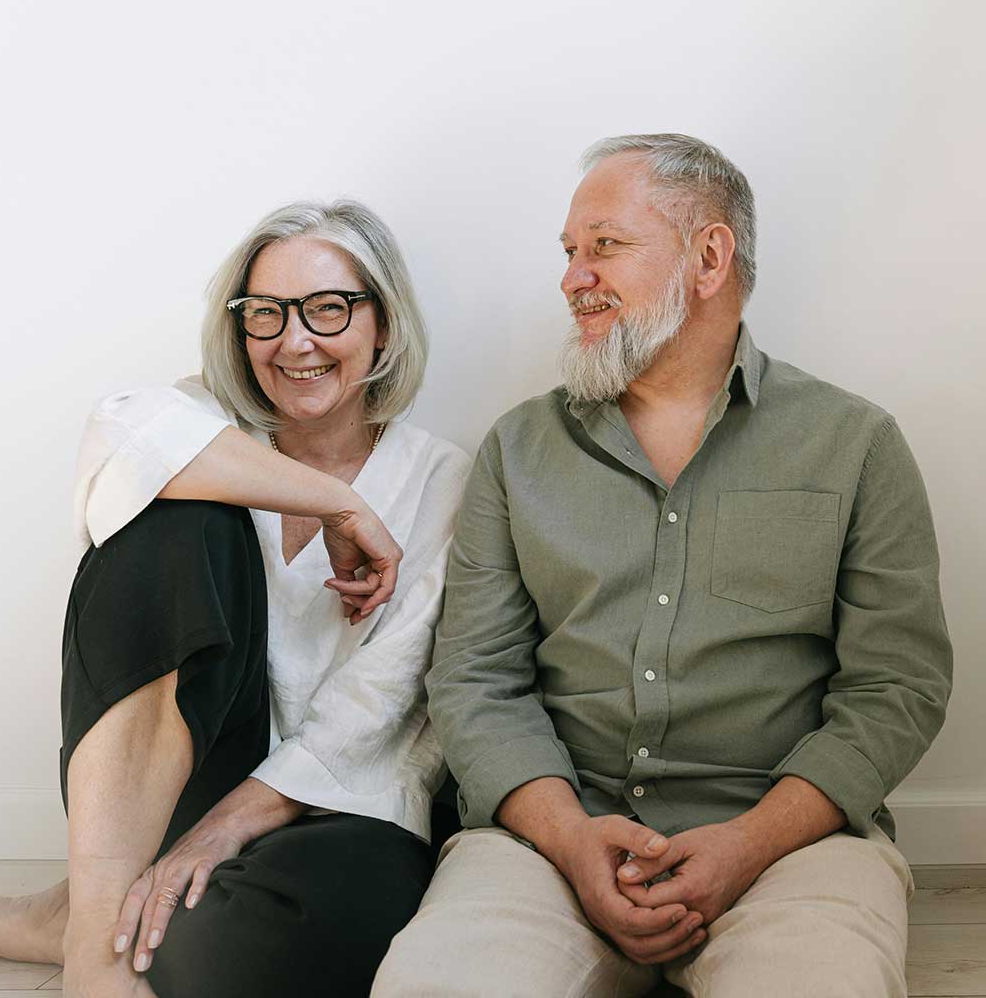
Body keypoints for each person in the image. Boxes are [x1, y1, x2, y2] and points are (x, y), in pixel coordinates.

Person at [371, 134, 952, 998]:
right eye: (570, 252)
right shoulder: (517, 450)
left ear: (709, 257)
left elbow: (896, 687)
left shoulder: (855, 444)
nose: (572, 278)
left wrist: (750, 842)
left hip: (790, 849)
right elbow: (477, 680)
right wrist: (571, 839)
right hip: (551, 845)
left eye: (604, 245)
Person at [0, 199, 470, 998]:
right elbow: (117, 430)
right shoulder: (204, 428)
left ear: (382, 325)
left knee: (258, 953)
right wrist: (336, 503)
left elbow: (387, 698)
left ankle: (68, 918)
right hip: (174, 781)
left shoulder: (441, 477)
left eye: (328, 308)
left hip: (332, 804)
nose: (295, 340)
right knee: (164, 513)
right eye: (266, 313)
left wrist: (222, 831)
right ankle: (97, 943)